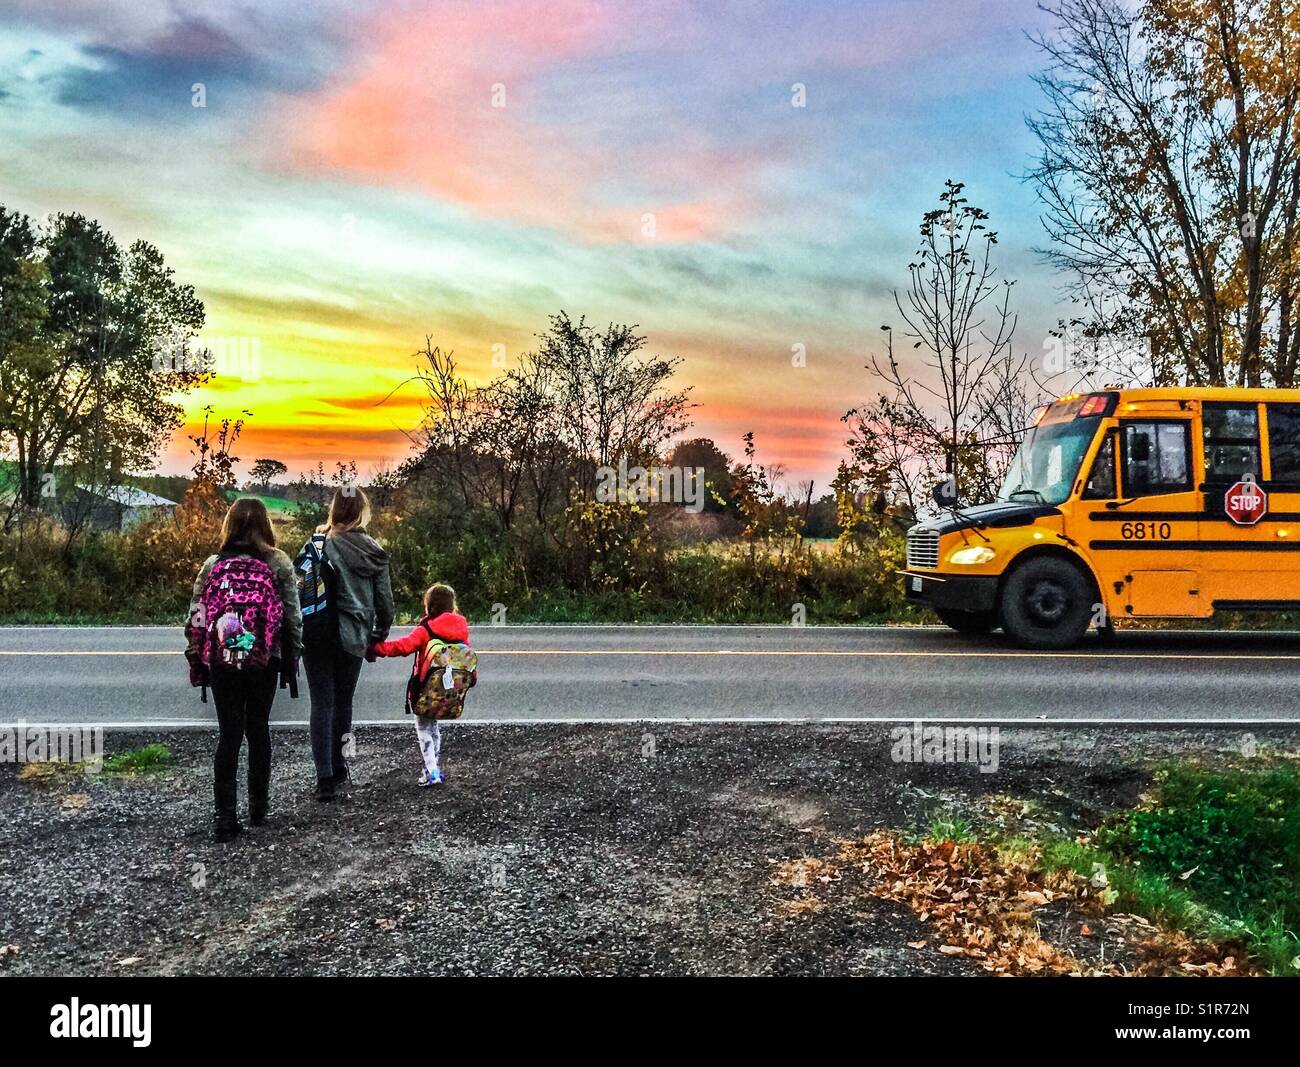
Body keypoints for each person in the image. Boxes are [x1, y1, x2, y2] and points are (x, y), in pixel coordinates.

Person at [188, 498, 302, 841]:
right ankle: (258, 808)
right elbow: (292, 616)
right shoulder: (278, 562)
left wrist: (197, 652)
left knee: (229, 734)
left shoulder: (213, 564)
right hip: (264, 659)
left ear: (229, 524)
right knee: (258, 728)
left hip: (223, 660)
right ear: (265, 525)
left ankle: (225, 816)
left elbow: (197, 613)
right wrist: (292, 655)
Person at [301, 488, 394, 801]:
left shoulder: (317, 545)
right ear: (361, 512)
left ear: (334, 510)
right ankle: (340, 766)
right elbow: (386, 604)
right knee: (343, 702)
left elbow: (299, 587)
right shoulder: (373, 552)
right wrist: (378, 636)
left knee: (321, 703)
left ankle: (323, 778)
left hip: (316, 634)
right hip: (352, 636)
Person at [368, 583, 474, 786]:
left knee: (424, 728)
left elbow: (402, 647)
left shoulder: (425, 629)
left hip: (425, 688)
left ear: (429, 607)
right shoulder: (461, 628)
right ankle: (432, 767)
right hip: (449, 690)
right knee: (434, 727)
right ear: (452, 606)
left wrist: (375, 648)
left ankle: (432, 771)